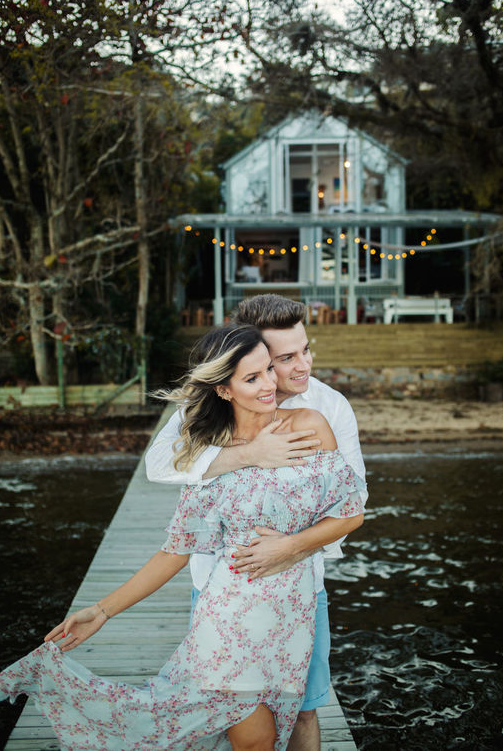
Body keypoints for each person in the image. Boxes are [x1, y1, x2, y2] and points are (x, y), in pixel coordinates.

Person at [0, 324, 365, 751]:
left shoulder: (309, 424)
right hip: (230, 618)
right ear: (224, 391)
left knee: (278, 730)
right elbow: (176, 550)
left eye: (268, 369)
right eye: (252, 378)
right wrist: (101, 611)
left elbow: (350, 514)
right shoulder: (209, 454)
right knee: (256, 742)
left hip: (291, 618)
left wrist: (291, 546)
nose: (270, 384)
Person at [145, 294, 367, 751]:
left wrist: (291, 547)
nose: (302, 366)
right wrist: (249, 455)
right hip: (219, 588)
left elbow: (353, 500)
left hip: (302, 590)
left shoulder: (328, 407)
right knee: (236, 718)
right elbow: (158, 465)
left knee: (304, 707)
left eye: (305, 349)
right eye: (284, 358)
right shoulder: (209, 405)